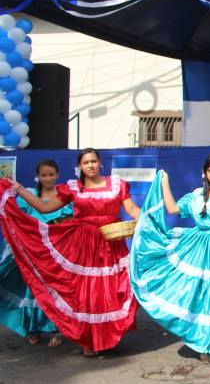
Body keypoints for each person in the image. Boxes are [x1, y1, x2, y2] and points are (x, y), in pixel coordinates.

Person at [0, 148, 140, 356]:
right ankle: (88, 341)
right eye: (86, 162)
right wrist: (20, 189)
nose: (91, 165)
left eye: (93, 161)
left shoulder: (117, 185)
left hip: (111, 245)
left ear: (100, 163)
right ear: (80, 167)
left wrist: (145, 220)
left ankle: (105, 337)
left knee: (109, 291)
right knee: (86, 293)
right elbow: (44, 208)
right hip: (83, 246)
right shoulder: (73, 188)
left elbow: (132, 209)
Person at [130, 154, 210, 363]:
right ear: (205, 173)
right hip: (199, 249)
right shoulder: (197, 196)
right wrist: (164, 183)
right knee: (202, 295)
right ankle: (206, 344)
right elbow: (173, 209)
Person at [0, 160, 70, 347]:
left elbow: (68, 222)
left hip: (54, 253)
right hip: (32, 252)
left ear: (57, 175)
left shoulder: (63, 196)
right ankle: (34, 329)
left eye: (51, 174)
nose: (48, 178)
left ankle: (56, 330)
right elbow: (16, 218)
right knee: (33, 290)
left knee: (54, 291)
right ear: (38, 176)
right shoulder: (27, 196)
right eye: (44, 175)